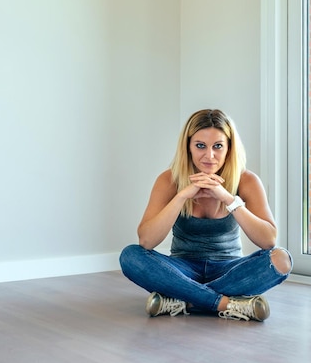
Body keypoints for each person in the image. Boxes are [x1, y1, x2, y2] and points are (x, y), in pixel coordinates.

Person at [119, 109, 292, 321]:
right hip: (182, 268)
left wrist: (229, 199)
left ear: (229, 148)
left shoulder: (246, 180)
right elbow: (146, 241)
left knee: (281, 259)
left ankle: (184, 299)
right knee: (130, 256)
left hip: (229, 270)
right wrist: (182, 195)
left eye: (218, 146)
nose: (209, 156)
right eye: (200, 145)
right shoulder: (169, 180)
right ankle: (224, 304)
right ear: (188, 147)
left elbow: (268, 241)